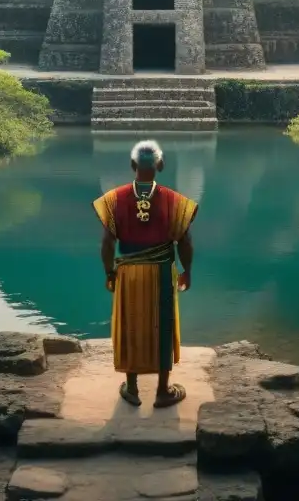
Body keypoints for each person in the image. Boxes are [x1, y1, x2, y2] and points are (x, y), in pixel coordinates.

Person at [92, 139, 197, 408]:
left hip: (128, 274)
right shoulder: (174, 201)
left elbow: (107, 243)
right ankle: (163, 390)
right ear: (160, 165)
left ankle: (133, 387)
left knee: (130, 325)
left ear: (132, 165)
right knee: (163, 326)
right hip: (162, 271)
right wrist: (186, 271)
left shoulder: (115, 199)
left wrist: (109, 272)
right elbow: (184, 242)